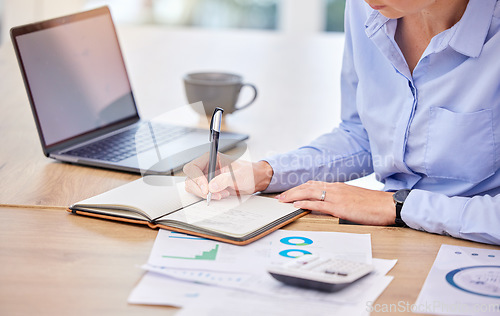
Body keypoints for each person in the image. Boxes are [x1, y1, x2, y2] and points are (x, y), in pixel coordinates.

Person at [184, 0, 500, 245]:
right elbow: (364, 137)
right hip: (395, 239)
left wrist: (399, 206)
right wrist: (266, 172)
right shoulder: (367, 9)